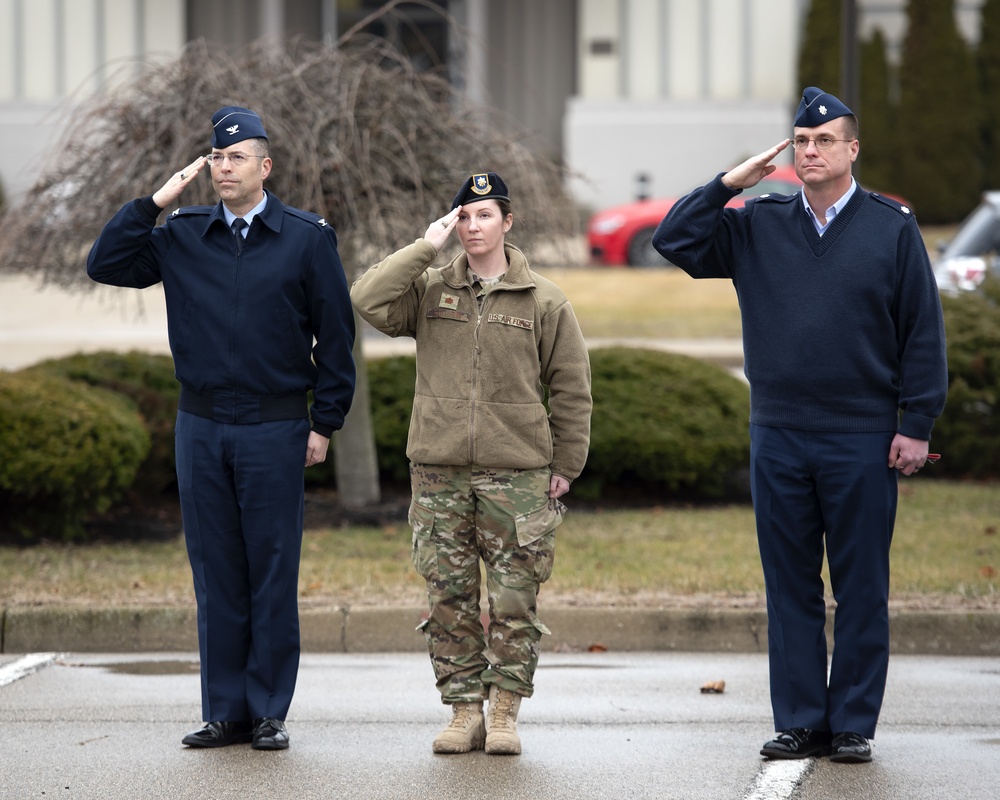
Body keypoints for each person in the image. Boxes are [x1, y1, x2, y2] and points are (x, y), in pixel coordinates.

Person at [652, 87, 948, 764]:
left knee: (862, 585)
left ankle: (851, 724)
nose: (810, 152)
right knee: (788, 584)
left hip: (862, 434)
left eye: (824, 141)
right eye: (801, 142)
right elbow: (674, 238)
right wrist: (728, 184)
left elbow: (921, 333)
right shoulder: (758, 224)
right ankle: (800, 720)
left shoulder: (891, 227)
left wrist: (918, 422)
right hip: (779, 433)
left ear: (852, 149)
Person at [87, 106, 356, 751]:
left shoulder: (305, 237)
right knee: (215, 572)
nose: (223, 167)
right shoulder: (182, 233)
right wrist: (154, 201)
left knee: (269, 569)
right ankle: (224, 712)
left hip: (274, 426)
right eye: (217, 157)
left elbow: (337, 337)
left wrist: (325, 422)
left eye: (237, 158)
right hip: (201, 425)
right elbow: (105, 263)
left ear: (265, 167)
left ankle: (267, 711)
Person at [351, 172, 592, 755]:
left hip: (518, 475)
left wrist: (567, 462)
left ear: (508, 222)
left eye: (485, 215)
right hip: (439, 472)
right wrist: (423, 247)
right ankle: (463, 711)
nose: (473, 226)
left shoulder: (544, 299)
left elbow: (571, 387)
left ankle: (504, 711)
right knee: (449, 597)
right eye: (464, 216)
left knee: (514, 597)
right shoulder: (431, 289)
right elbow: (366, 298)